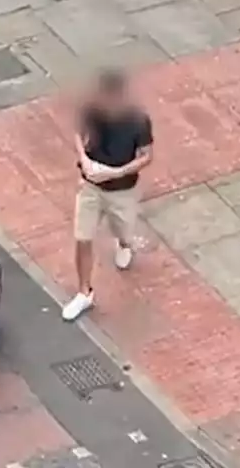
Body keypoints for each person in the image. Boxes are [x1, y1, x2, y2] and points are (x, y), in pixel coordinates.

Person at [61, 68, 154, 322]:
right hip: (91, 185)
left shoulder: (138, 120)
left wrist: (117, 172)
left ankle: (124, 243)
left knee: (124, 230)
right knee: (82, 237)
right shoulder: (92, 110)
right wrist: (83, 159)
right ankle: (84, 292)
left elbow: (146, 156)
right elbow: (78, 132)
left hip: (122, 190)